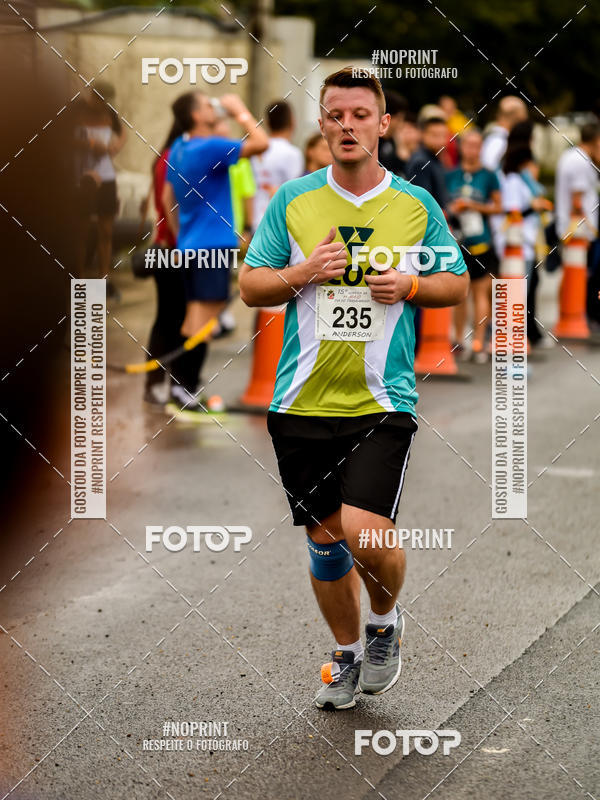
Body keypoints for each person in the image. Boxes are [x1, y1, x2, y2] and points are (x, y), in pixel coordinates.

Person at [239, 67, 468, 711]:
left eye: (359, 115)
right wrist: (305, 271)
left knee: (367, 529)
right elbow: (252, 286)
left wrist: (414, 286)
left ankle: (384, 623)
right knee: (324, 538)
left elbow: (459, 283)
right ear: (321, 125)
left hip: (380, 399)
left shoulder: (414, 206)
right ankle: (344, 654)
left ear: (382, 124)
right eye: (335, 114)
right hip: (300, 401)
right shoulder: (294, 200)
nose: (347, 125)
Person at [162, 91, 268, 417]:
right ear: (196, 115)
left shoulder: (178, 149)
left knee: (195, 317)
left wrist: (183, 236)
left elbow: (168, 199)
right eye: (208, 105)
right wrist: (241, 111)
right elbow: (261, 143)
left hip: (191, 246)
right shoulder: (209, 147)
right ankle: (185, 391)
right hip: (213, 247)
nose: (214, 107)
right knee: (203, 321)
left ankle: (181, 388)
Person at [446, 129, 502, 362]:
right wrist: (454, 209)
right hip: (457, 242)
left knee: (481, 293)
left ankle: (479, 342)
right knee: (460, 293)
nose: (472, 150)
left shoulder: (489, 175)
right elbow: (443, 205)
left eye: (476, 145)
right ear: (461, 147)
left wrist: (474, 206)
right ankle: (459, 340)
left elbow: (498, 207)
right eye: (468, 145)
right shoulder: (451, 175)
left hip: (481, 243)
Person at [500, 144, 553, 346]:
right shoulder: (514, 181)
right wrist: (534, 207)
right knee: (520, 292)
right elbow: (513, 212)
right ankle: (516, 337)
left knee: (528, 290)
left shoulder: (521, 181)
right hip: (518, 244)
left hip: (527, 242)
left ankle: (524, 335)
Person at [77, 83, 127, 286]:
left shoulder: (110, 114)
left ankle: (103, 276)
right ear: (93, 97)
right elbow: (64, 138)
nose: (103, 105)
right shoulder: (77, 110)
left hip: (106, 177)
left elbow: (122, 133)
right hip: (82, 177)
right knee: (81, 229)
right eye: (101, 100)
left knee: (106, 229)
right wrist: (90, 144)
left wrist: (115, 145)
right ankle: (78, 276)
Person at [251, 100, 304, 231]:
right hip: (278, 224)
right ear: (293, 122)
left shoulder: (254, 149)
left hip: (254, 222)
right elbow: (295, 193)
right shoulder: (292, 153)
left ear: (267, 123)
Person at [406, 114, 450, 210]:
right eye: (435, 135)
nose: (441, 140)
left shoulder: (435, 158)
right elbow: (423, 205)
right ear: (423, 134)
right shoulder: (420, 163)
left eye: (443, 135)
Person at [481, 96, 528, 172]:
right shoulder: (498, 142)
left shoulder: (497, 139)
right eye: (523, 119)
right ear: (516, 118)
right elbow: (489, 173)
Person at [378, 90, 408, 175]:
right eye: (399, 119)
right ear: (388, 118)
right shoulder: (374, 143)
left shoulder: (393, 141)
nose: (401, 124)